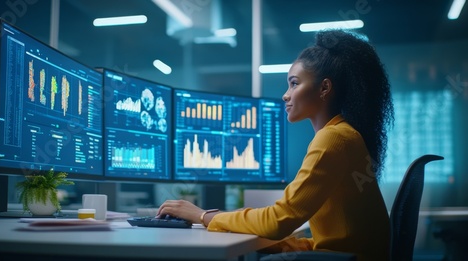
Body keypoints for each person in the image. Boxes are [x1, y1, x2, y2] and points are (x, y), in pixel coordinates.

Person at [157, 29, 394, 261]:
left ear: (324, 88)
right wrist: (267, 240)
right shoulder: (345, 134)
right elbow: (332, 241)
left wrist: (203, 215)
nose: (285, 95)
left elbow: (280, 220)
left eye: (294, 84)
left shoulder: (333, 139)